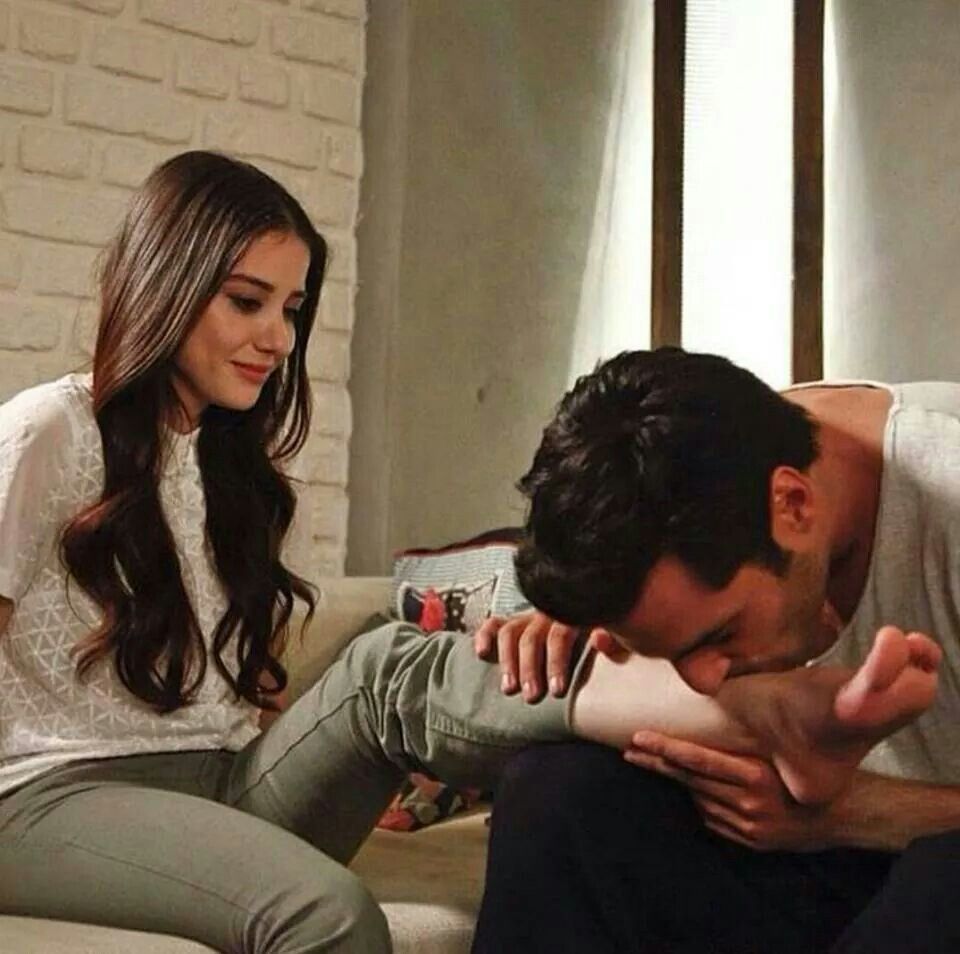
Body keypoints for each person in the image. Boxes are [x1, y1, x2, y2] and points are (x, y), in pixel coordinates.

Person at [0, 156, 936, 954]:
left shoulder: (231, 466)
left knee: (384, 668)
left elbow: (243, 686)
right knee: (325, 912)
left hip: (219, 784)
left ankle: (773, 713)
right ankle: (772, 715)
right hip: (46, 798)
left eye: (291, 308)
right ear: (166, 281)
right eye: (248, 302)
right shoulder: (49, 430)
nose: (278, 339)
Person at [472, 348, 960, 954]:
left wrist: (848, 812)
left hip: (914, 849)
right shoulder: (708, 463)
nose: (702, 683)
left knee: (941, 880)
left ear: (795, 505)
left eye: (720, 635)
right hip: (817, 855)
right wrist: (596, 626)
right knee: (558, 794)